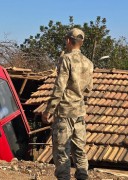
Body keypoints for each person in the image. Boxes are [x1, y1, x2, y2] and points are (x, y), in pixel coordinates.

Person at [41, 28, 93, 180]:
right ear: (81, 43)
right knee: (80, 150)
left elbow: (59, 87)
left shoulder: (66, 59)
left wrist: (48, 110)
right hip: (80, 112)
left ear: (69, 41)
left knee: (62, 150)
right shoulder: (89, 63)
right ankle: (83, 176)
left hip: (65, 112)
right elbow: (88, 89)